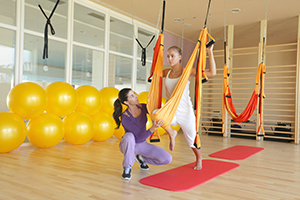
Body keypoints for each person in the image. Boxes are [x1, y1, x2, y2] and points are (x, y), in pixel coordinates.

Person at [163, 44, 217, 170]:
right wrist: (157, 52)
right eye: (167, 56)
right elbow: (153, 74)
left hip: (185, 111)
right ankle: (172, 134)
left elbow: (212, 73)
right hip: (171, 110)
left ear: (179, 57)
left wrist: (210, 52)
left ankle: (199, 158)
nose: (170, 59)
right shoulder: (167, 72)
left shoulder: (188, 71)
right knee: (155, 114)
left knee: (192, 139)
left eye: (172, 56)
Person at [113, 88, 172, 180]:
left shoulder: (143, 107)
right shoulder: (125, 117)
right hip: (128, 145)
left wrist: (168, 105)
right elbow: (139, 137)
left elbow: (156, 113)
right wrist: (153, 128)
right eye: (132, 96)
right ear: (126, 102)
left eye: (135, 94)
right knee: (129, 136)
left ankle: (142, 159)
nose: (136, 96)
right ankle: (127, 168)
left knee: (167, 159)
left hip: (141, 144)